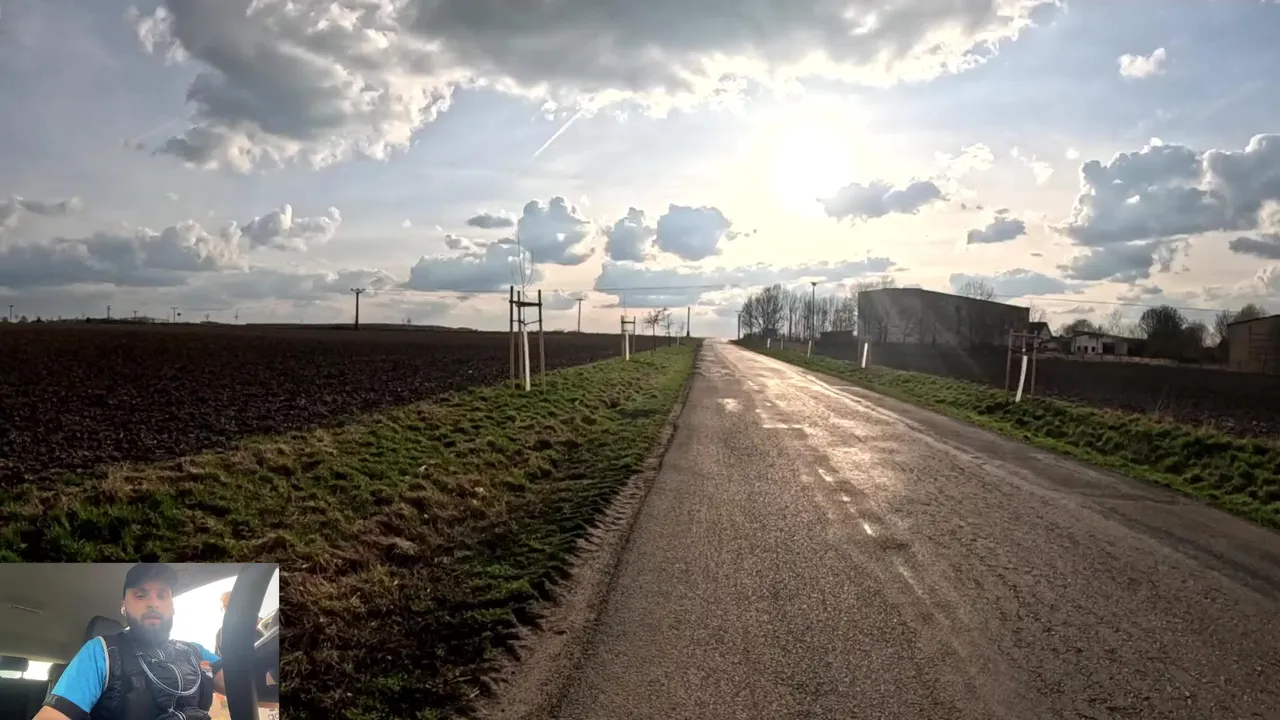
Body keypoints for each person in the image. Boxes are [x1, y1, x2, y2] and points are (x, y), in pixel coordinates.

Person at [33, 563, 226, 720]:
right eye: (140, 595)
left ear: (172, 606)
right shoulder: (102, 652)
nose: (153, 603)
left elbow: (240, 685)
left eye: (162, 595)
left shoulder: (195, 652)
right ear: (123, 606)